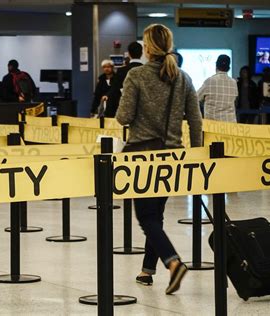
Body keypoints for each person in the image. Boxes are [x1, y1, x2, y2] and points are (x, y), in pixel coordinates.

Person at [116, 24, 202, 295]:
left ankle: (173, 262)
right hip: (173, 155)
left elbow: (124, 117)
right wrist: (196, 153)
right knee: (157, 214)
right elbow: (196, 121)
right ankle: (147, 270)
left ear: (147, 47)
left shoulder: (136, 75)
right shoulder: (183, 78)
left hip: (142, 154)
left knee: (145, 217)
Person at [105, 42, 143, 117]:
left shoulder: (121, 71)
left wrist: (109, 115)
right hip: (143, 112)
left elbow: (114, 93)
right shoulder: (147, 70)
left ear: (129, 54)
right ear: (141, 53)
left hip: (126, 111)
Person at [198, 55, 238, 122]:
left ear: (216, 66)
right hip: (230, 125)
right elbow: (235, 101)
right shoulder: (234, 83)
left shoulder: (209, 81)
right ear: (229, 68)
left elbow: (196, 98)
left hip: (212, 126)